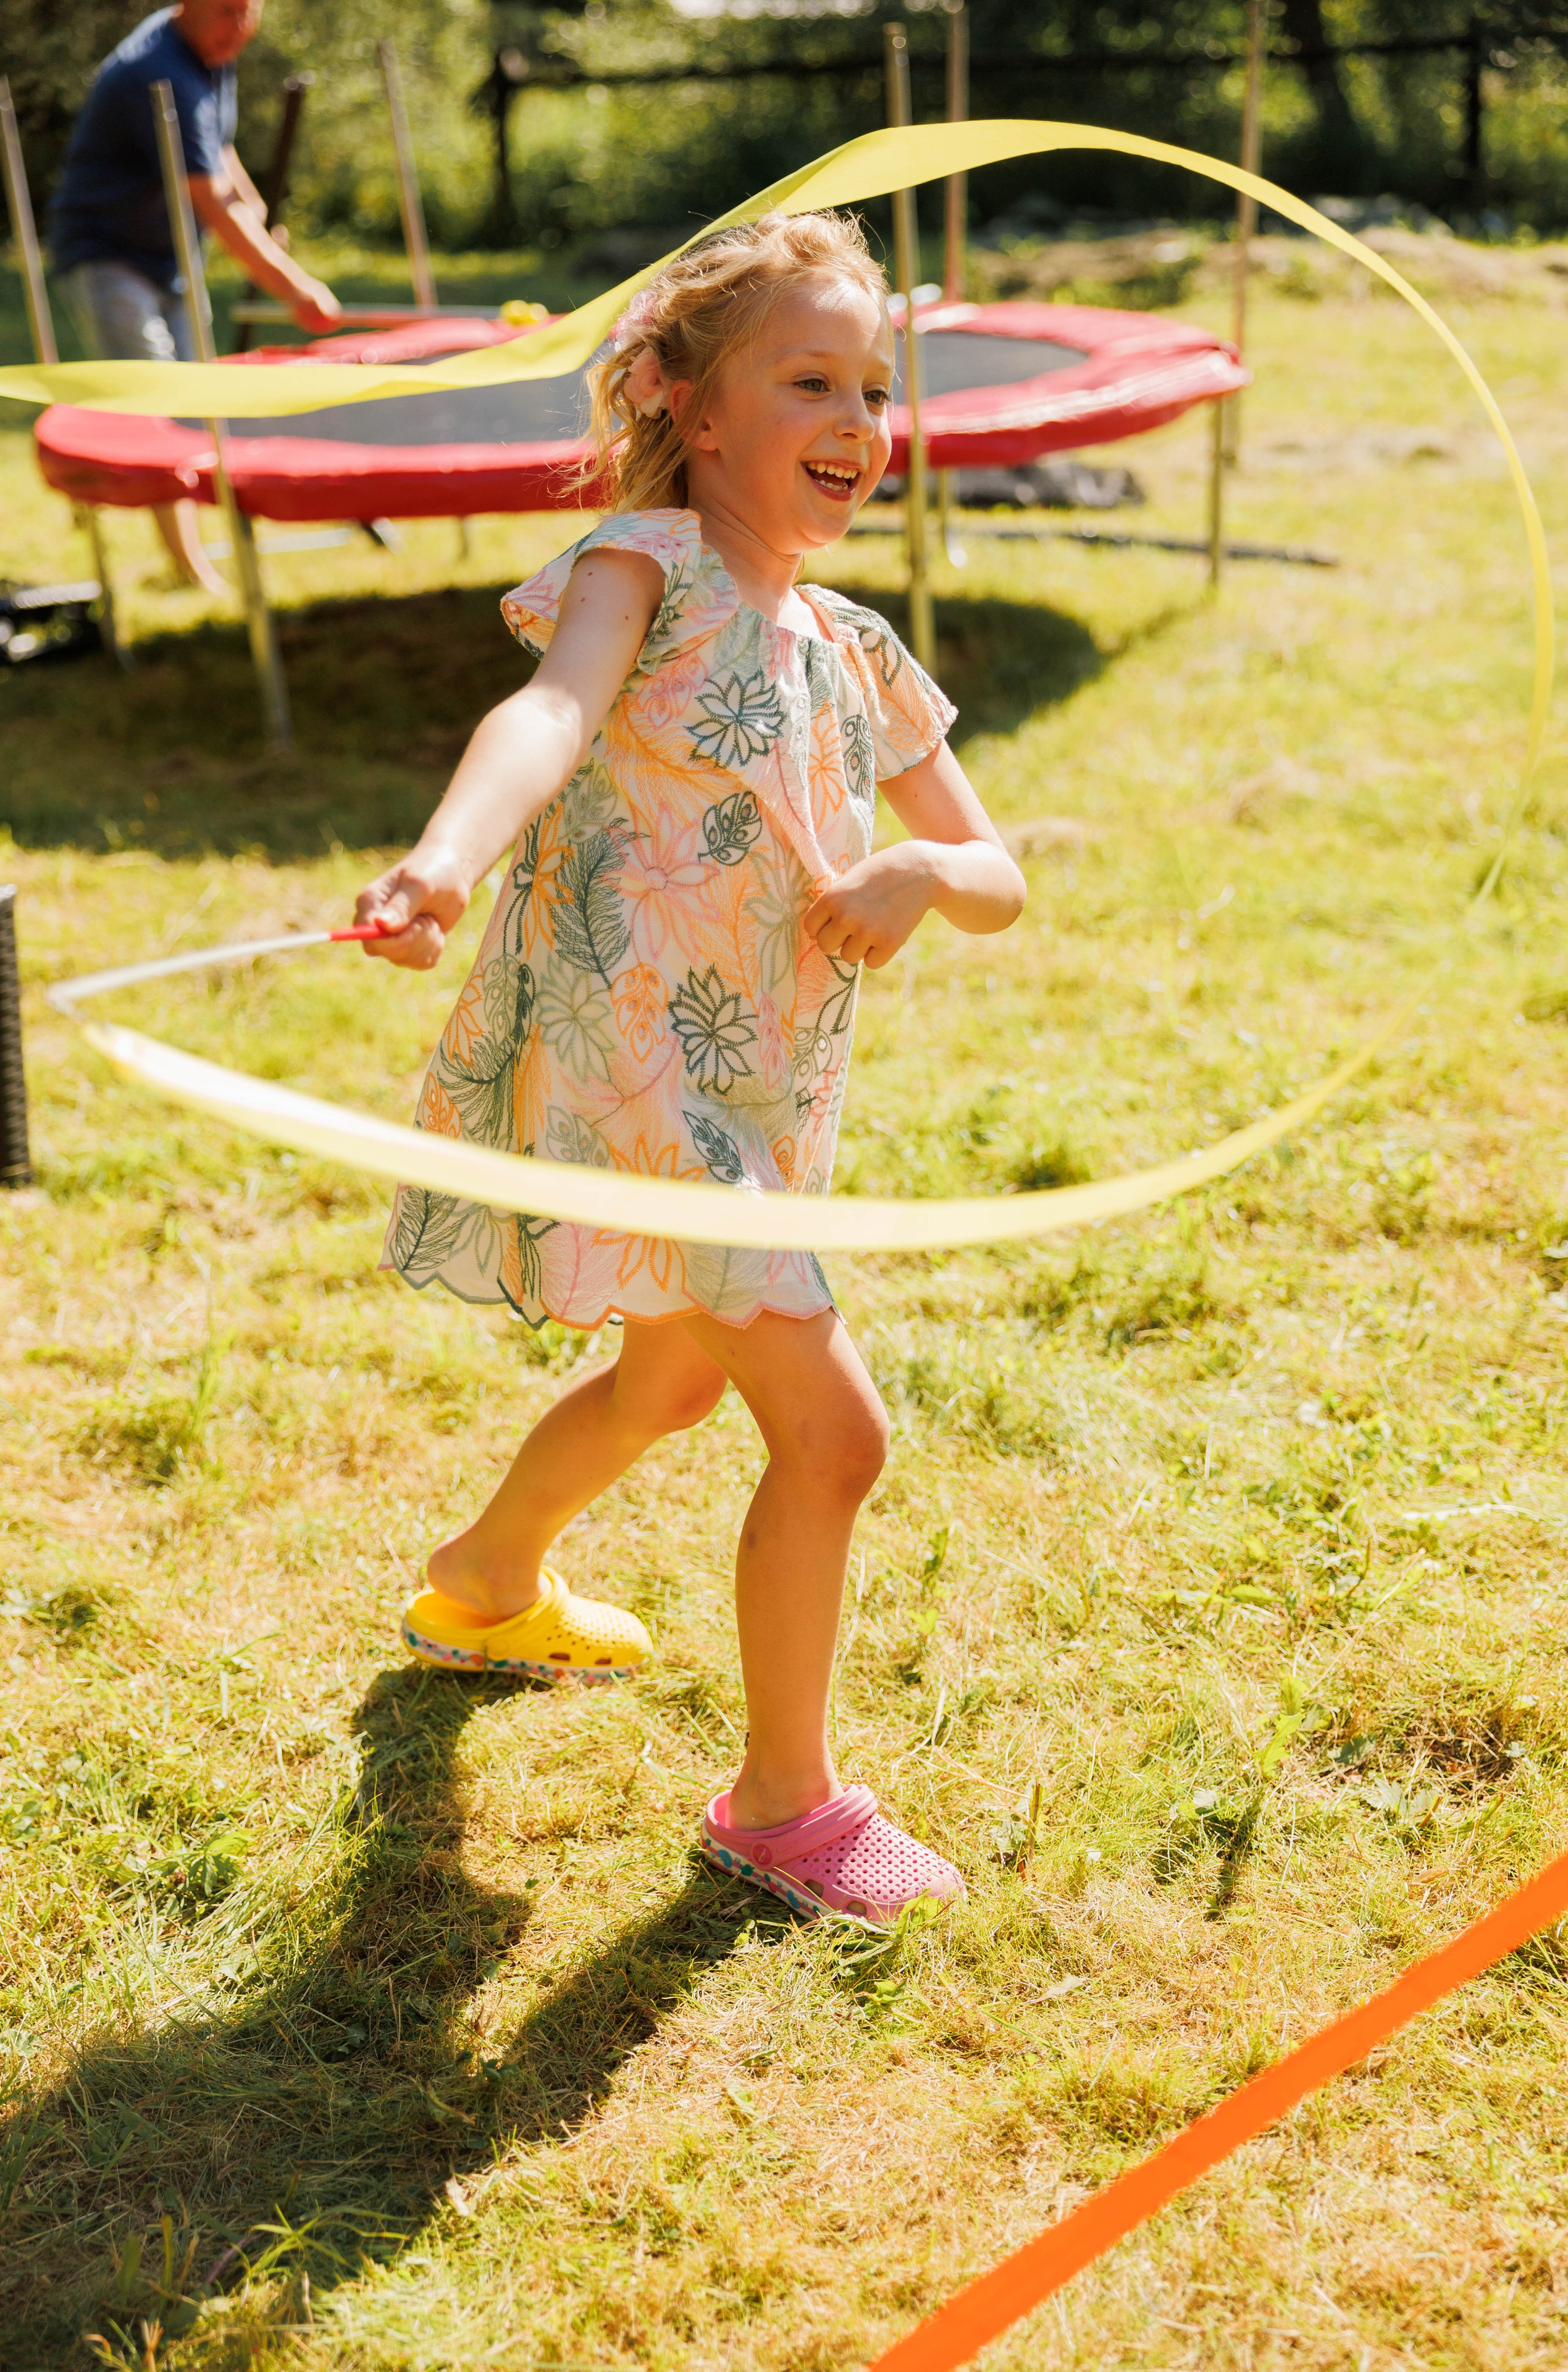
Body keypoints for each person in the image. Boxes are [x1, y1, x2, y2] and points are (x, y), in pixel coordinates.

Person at [354, 211, 1027, 1925]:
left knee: (670, 1378)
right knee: (836, 1439)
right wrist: (443, 857)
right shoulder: (638, 568)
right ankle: (783, 1808)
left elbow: (1002, 876)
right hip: (643, 1075)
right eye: (810, 378)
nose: (858, 418)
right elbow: (548, 719)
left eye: (872, 385)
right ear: (689, 402)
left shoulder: (861, 654)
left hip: (758, 1092)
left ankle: (484, 1581)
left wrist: (924, 874)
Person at [49, 1, 342, 597]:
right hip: (107, 253)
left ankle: (189, 552)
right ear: (189, 3)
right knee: (160, 396)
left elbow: (218, 146)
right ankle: (189, 567)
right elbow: (207, 199)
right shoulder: (154, 72)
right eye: (226, 11)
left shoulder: (211, 51)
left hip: (169, 256)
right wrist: (293, 286)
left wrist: (256, 218)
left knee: (195, 397)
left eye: (248, 11)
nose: (238, 27)